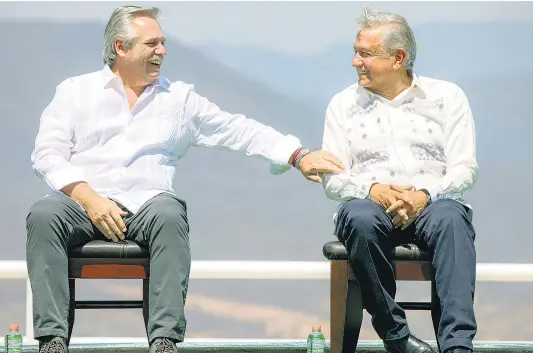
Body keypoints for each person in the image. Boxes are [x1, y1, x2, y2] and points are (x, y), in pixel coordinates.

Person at [26, 5, 345, 353]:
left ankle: (164, 340)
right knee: (43, 216)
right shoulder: (75, 92)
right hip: (81, 203)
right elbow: (46, 153)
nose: (162, 51)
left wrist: (297, 155)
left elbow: (237, 129)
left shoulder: (179, 99)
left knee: (170, 214)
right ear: (121, 47)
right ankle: (52, 340)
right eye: (152, 43)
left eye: (163, 43)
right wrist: (87, 195)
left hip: (148, 204)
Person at [320, 7, 479, 353]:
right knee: (360, 217)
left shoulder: (446, 98)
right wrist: (373, 190)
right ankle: (398, 338)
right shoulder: (342, 105)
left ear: (398, 58)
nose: (354, 62)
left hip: (433, 205)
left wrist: (424, 194)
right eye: (355, 51)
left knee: (454, 219)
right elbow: (332, 181)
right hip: (368, 206)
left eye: (364, 54)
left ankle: (457, 346)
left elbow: (465, 169)